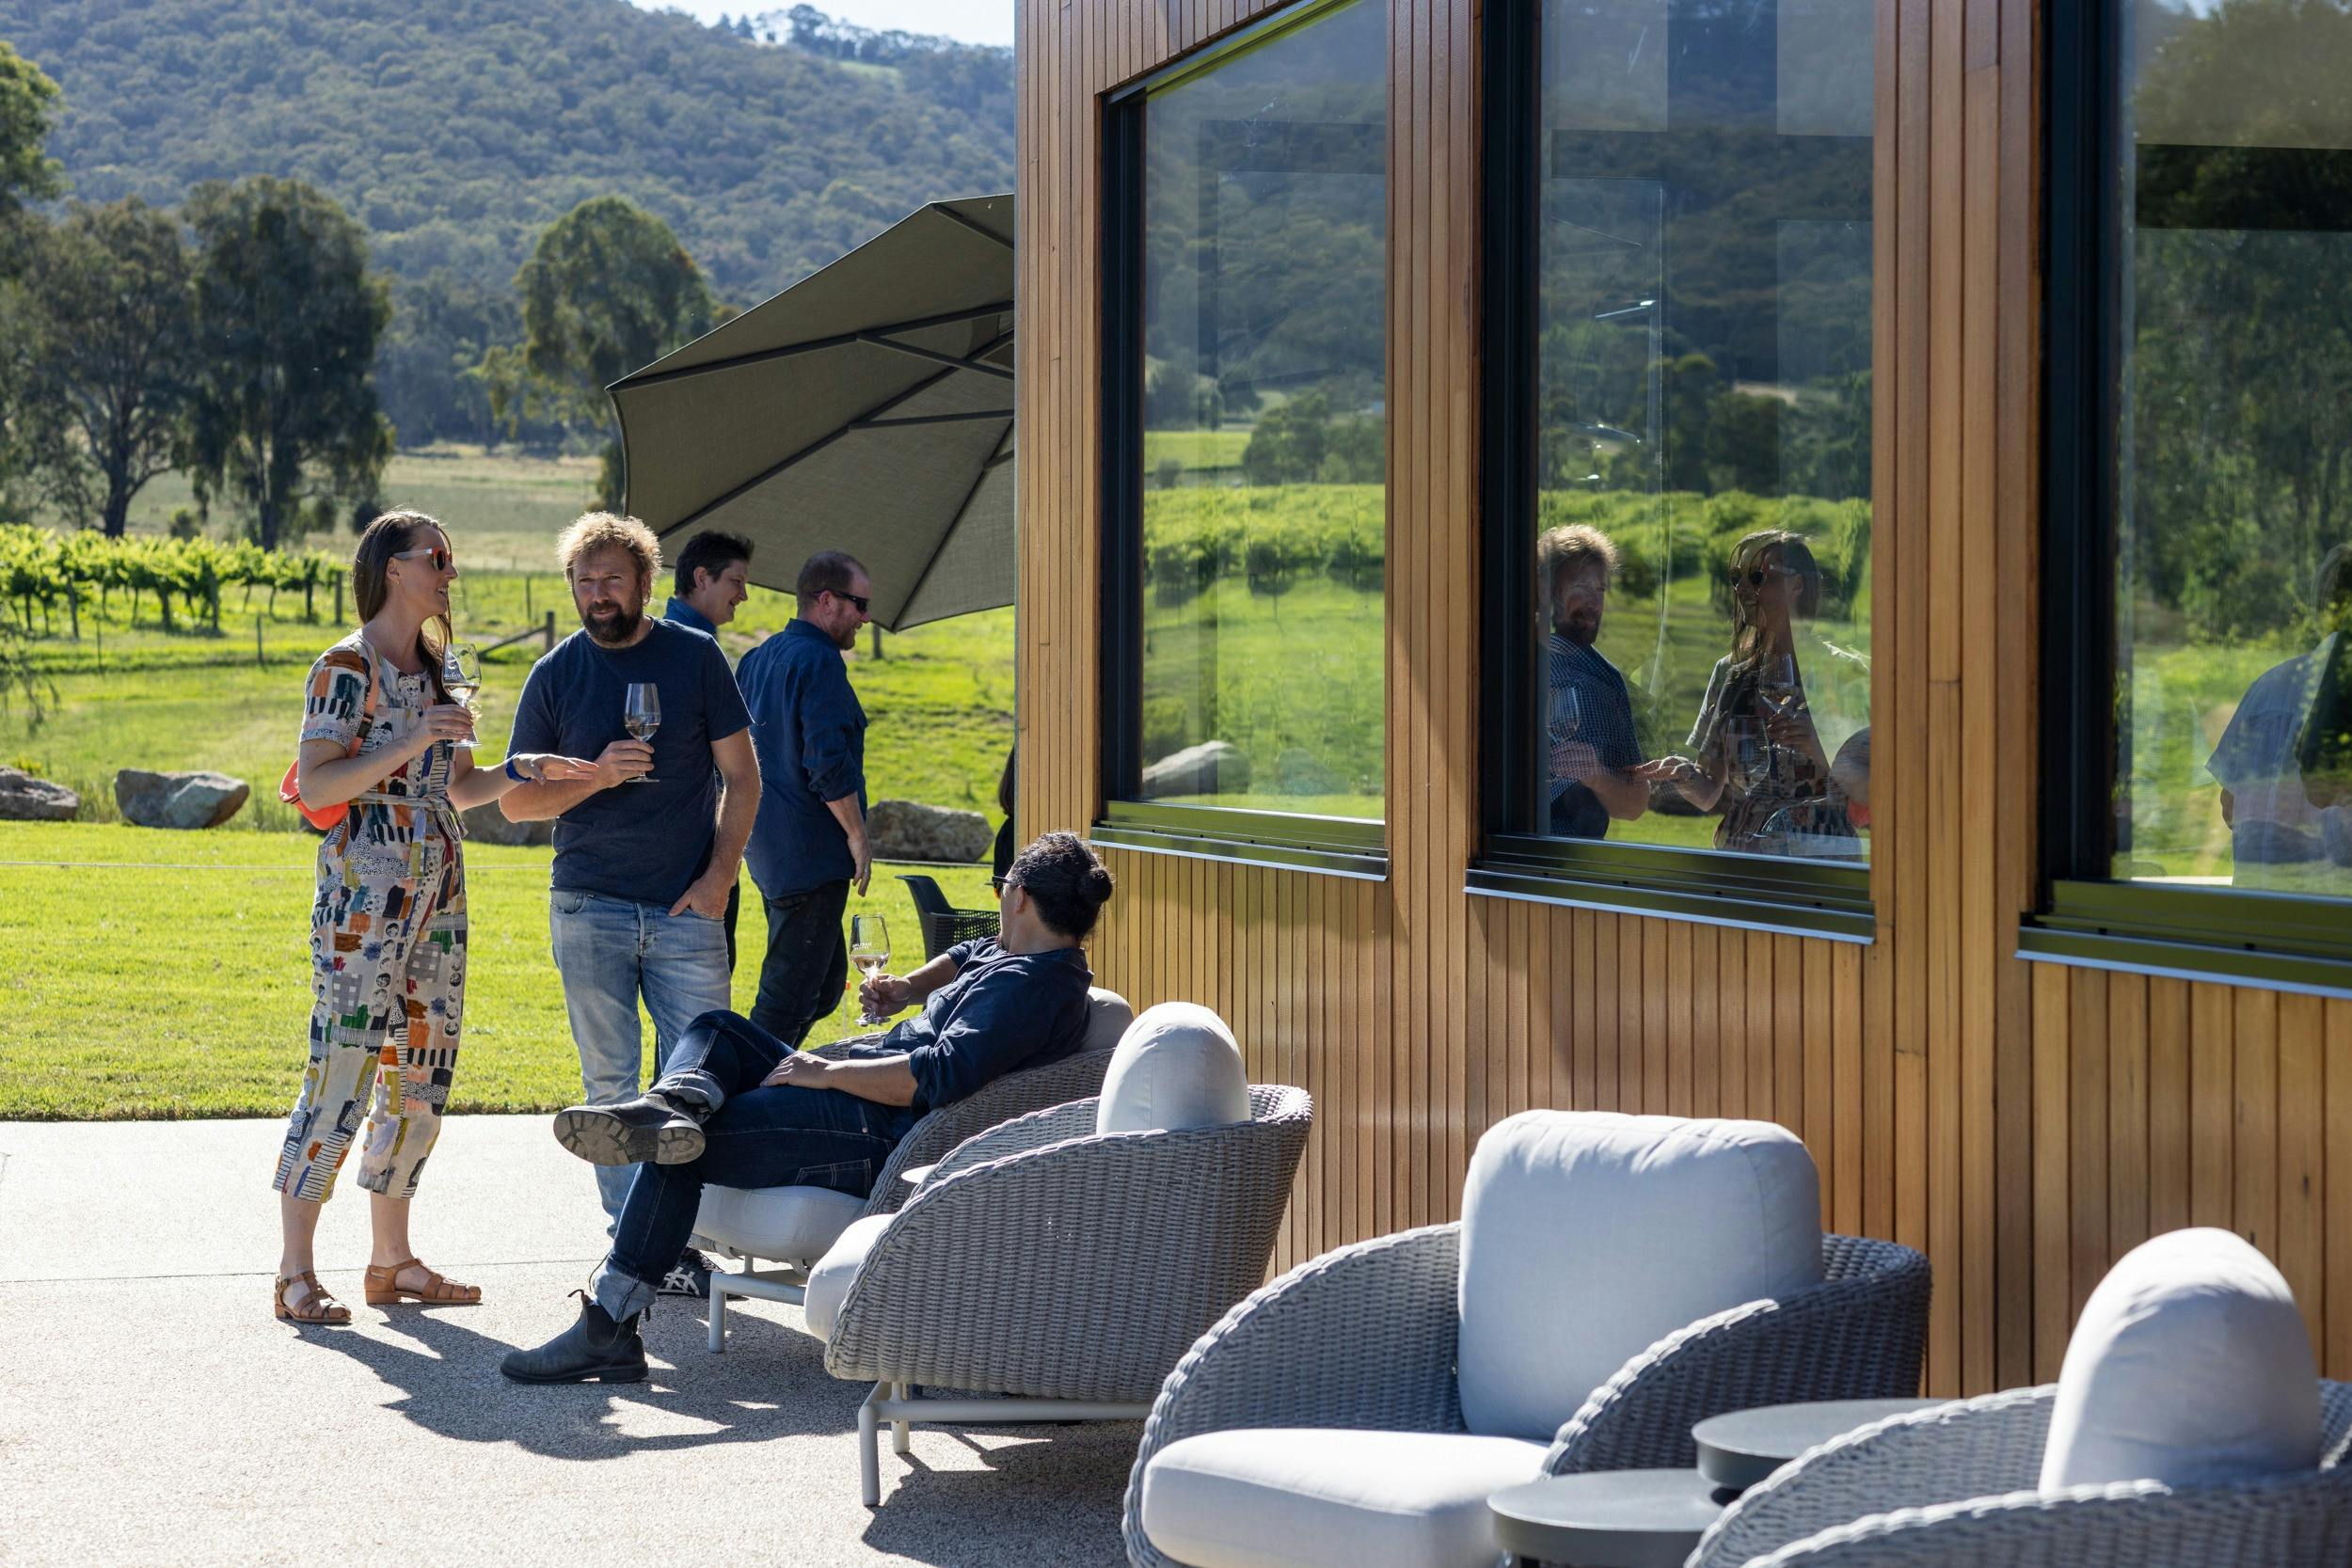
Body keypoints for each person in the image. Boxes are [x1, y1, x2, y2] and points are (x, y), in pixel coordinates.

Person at [501, 832, 1117, 1384]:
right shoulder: (1017, 953)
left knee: (682, 1145)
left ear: (1021, 896)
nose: (997, 897)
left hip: (878, 1132)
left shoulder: (1033, 990)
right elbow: (965, 954)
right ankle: (674, 1099)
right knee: (717, 1028)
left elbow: (938, 1075)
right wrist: (906, 987)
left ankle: (609, 1325)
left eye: (1001, 885)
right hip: (855, 1106)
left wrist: (826, 1071)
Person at [273, 511, 596, 1324]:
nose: (451, 572)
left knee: (421, 1074)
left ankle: (392, 1261)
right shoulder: (345, 667)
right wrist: (412, 735)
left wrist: (520, 769)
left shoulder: (450, 663)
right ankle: (294, 1272)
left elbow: (458, 785)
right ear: (393, 568)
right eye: (438, 558)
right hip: (363, 891)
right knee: (341, 1066)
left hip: (441, 884)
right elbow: (317, 787)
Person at [499, 512, 761, 1253]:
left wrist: (718, 880)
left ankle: (684, 1233)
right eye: (584, 581)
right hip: (589, 906)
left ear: (646, 581)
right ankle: (637, 1245)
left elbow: (743, 780)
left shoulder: (698, 659)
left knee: (698, 1086)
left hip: (687, 912)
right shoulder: (555, 673)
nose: (598, 593)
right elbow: (517, 801)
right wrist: (595, 778)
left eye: (612, 578)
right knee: (610, 1089)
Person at [733, 550, 876, 1044]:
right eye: (858, 604)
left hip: (767, 851)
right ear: (827, 600)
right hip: (811, 856)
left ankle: (765, 1077)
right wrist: (857, 836)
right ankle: (741, 1097)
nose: (864, 616)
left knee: (826, 985)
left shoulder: (756, 658)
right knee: (785, 1001)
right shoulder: (819, 662)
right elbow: (827, 763)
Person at [1652, 530, 1863, 858]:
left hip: (1819, 855)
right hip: (1744, 853)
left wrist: (1819, 747)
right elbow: (1709, 792)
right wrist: (1682, 774)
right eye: (1737, 578)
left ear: (1797, 585)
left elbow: (1876, 788)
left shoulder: (1843, 674)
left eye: (1757, 576)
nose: (1743, 589)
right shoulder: (1730, 674)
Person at [2210, 543, 2352, 889]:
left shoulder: (2266, 688)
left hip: (2259, 920)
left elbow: (2230, 807)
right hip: (2335, 926)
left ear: (2322, 607)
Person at [662, 530, 755, 969]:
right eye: (736, 582)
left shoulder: (689, 645)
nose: (744, 596)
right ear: (702, 578)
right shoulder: (687, 650)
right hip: (694, 851)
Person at [1534, 524, 1647, 839]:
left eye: (1600, 590)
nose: (1595, 603)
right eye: (1581, 587)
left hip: (1574, 867)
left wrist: (1596, 776)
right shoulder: (1505, 662)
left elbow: (1635, 804)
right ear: (1545, 590)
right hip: (1503, 859)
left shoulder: (1604, 679)